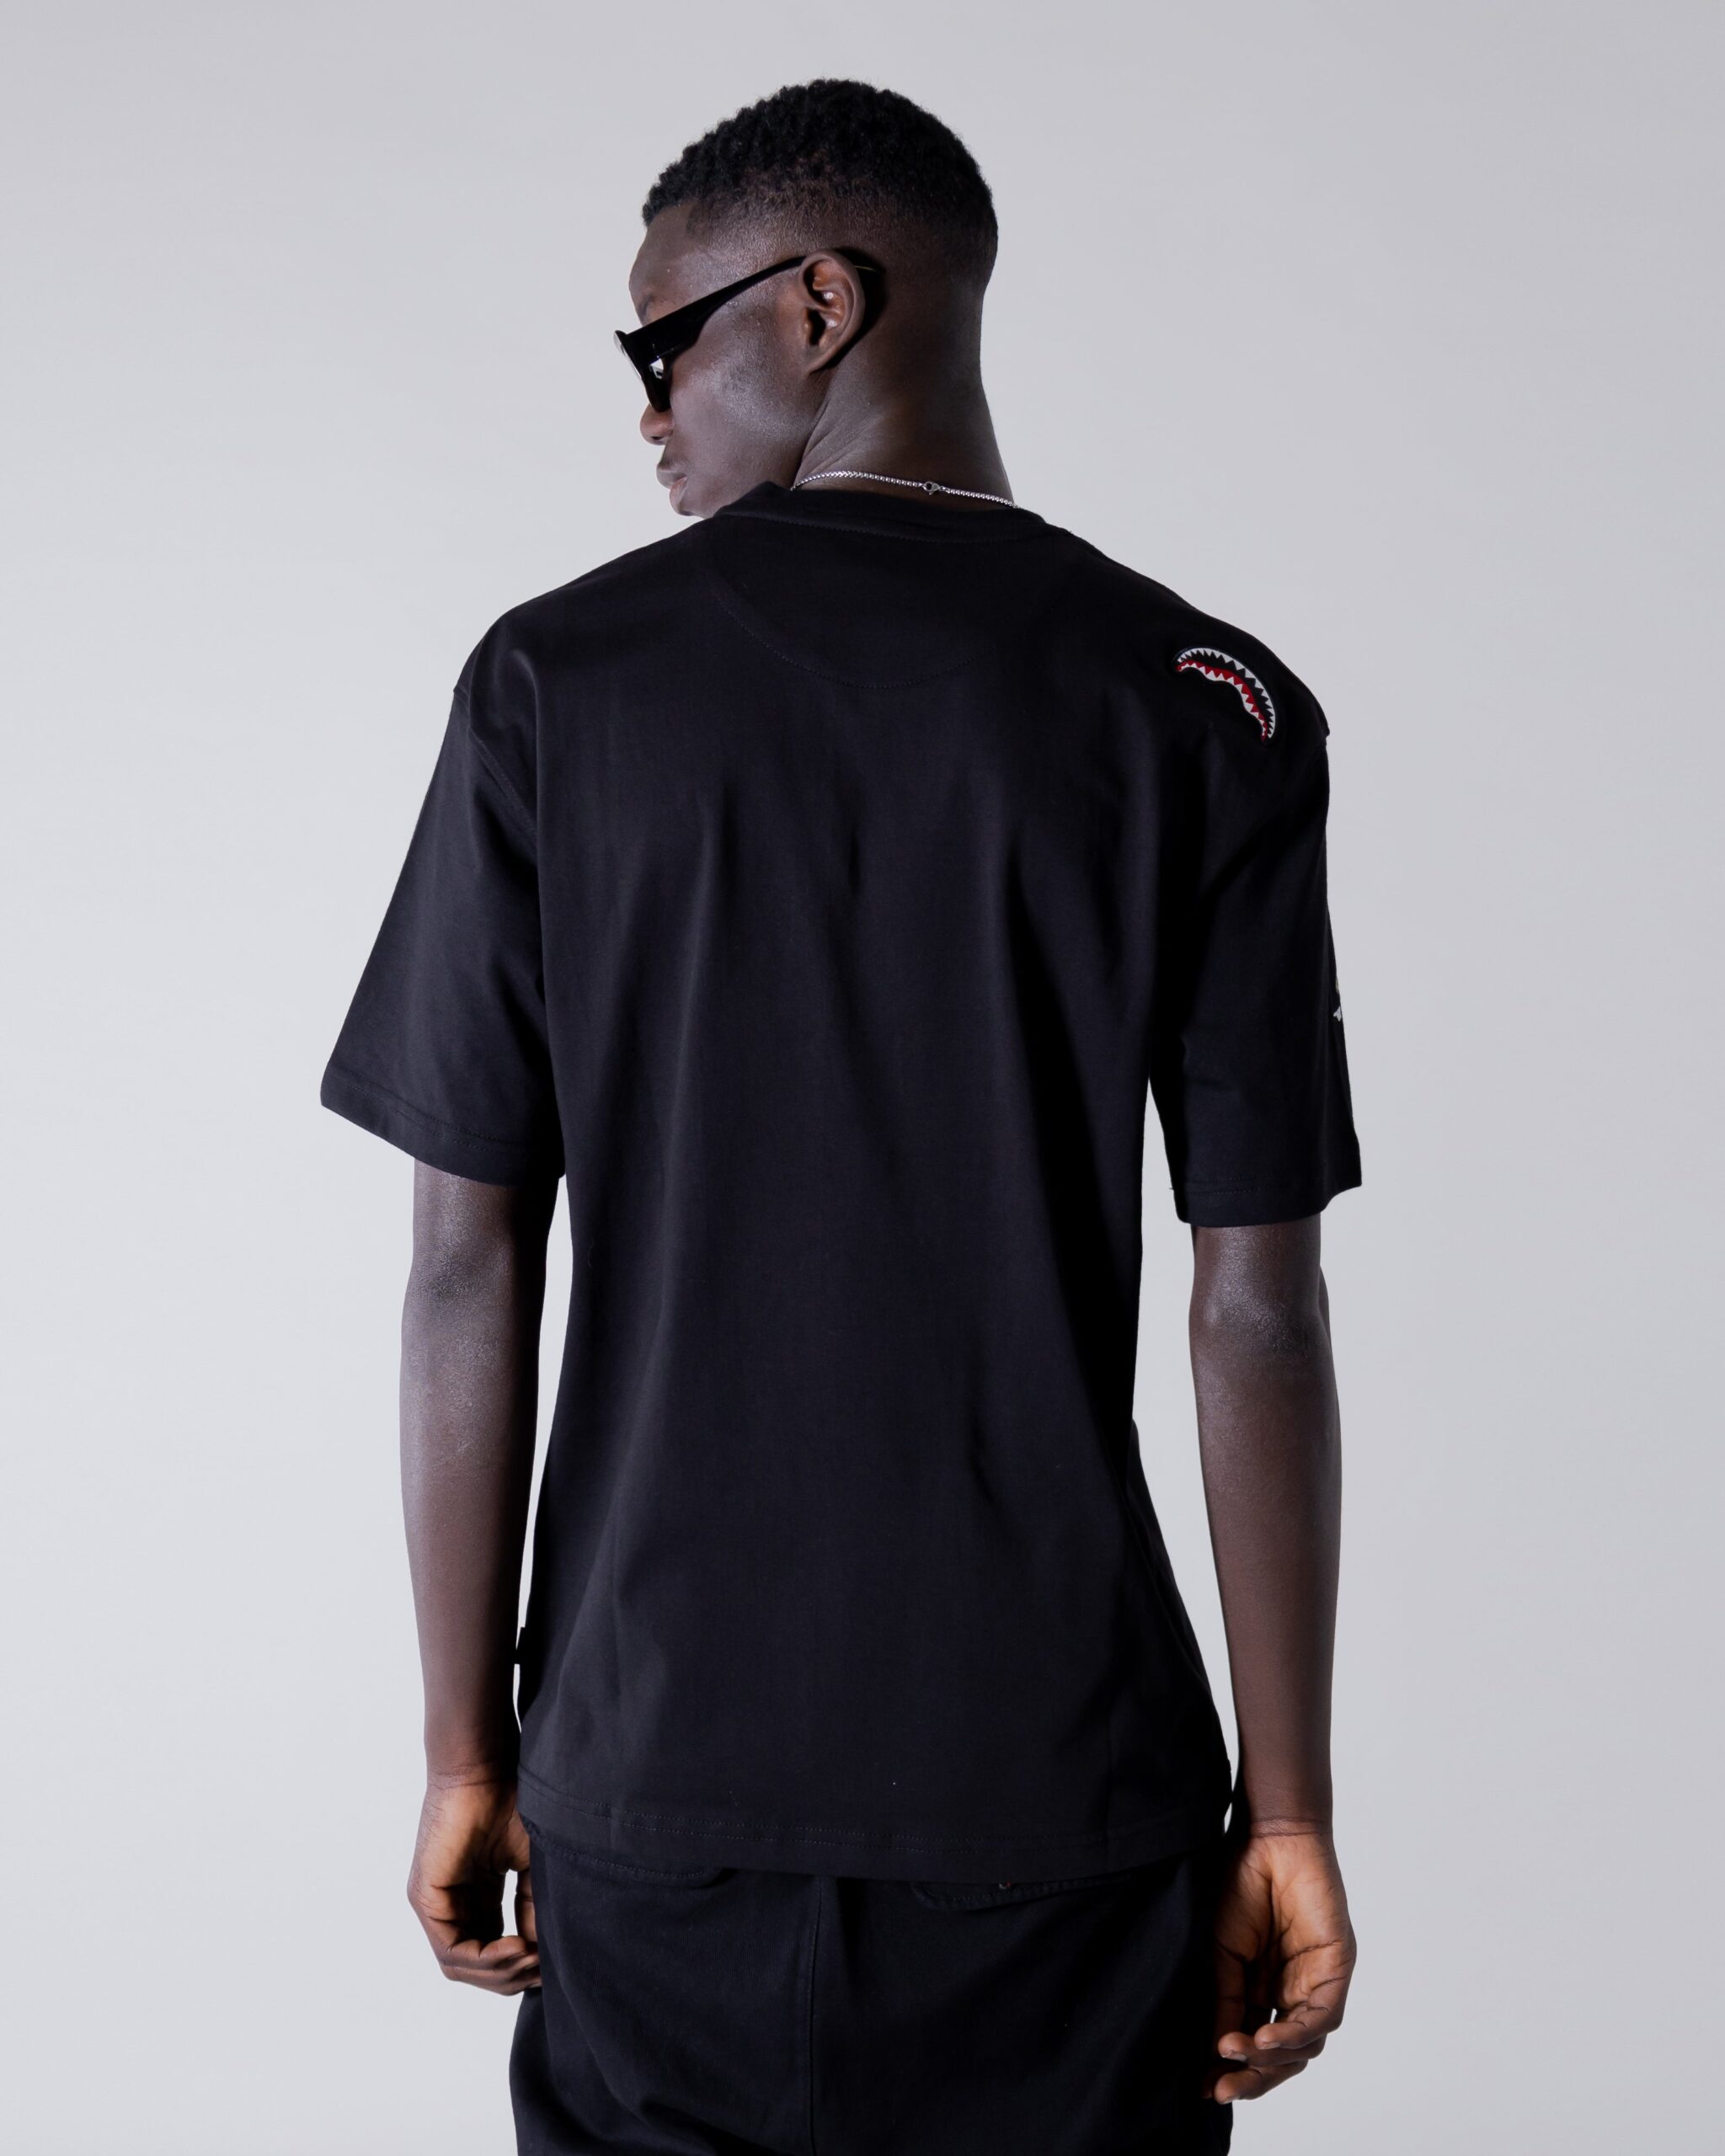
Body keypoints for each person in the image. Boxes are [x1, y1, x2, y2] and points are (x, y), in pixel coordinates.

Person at [321, 77, 1361, 2154]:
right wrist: (1290, 1806)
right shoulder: (1201, 698)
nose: (644, 413)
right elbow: (1254, 1302)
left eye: (661, 345)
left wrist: (463, 1749)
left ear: (815, 306)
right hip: (1061, 1800)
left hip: (652, 1781)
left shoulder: (554, 685)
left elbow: (463, 1262)